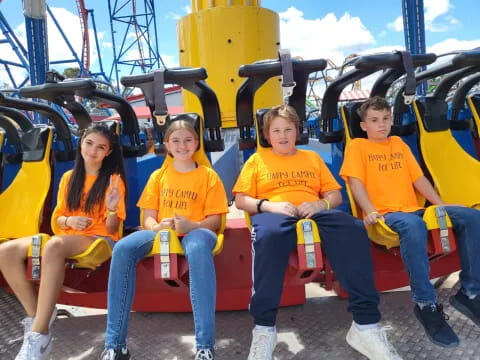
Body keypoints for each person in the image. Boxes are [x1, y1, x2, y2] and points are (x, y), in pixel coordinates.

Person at [233, 104, 401, 360]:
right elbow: (241, 200)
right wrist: (269, 205)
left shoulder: (311, 158)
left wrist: (319, 204)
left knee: (354, 229)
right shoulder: (257, 160)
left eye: (288, 129)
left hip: (313, 211)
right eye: (276, 131)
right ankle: (264, 329)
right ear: (267, 135)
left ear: (297, 131)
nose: (283, 135)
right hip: (275, 212)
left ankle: (365, 326)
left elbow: (334, 195)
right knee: (267, 237)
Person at [340, 96, 480, 348]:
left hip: (414, 210)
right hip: (385, 216)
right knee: (413, 227)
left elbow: (418, 180)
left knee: (472, 217)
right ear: (363, 126)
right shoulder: (358, 148)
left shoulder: (399, 144)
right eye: (374, 120)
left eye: (385, 119)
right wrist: (370, 211)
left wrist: (439, 205)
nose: (381, 125)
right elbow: (355, 184)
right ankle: (426, 304)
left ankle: (470, 291)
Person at [101, 120, 228, 360]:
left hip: (197, 231)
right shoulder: (158, 176)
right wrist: (157, 227)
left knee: (198, 247)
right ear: (167, 145)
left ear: (197, 143)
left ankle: (205, 345)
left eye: (188, 140)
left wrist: (193, 225)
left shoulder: (208, 176)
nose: (182, 146)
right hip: (161, 232)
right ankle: (114, 345)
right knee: (123, 249)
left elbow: (215, 220)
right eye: (176, 141)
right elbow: (148, 217)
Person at [0, 123, 127, 360]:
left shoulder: (113, 181)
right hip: (67, 236)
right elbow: (57, 221)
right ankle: (39, 318)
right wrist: (70, 220)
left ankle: (38, 335)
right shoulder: (69, 178)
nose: (93, 151)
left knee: (55, 245)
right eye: (89, 143)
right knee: (5, 252)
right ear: (81, 143)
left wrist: (111, 210)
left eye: (101, 147)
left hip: (100, 240)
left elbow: (113, 229)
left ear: (108, 152)